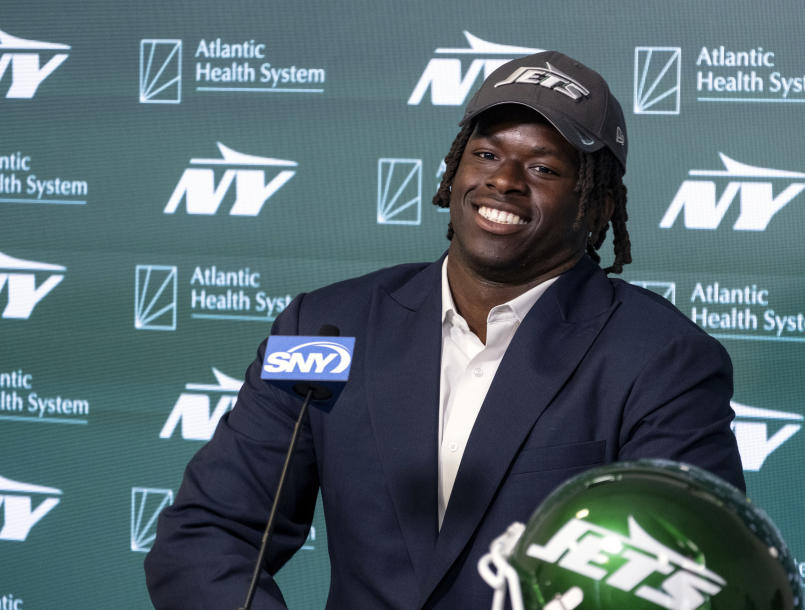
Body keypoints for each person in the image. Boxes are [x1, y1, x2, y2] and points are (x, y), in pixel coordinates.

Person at [145, 50, 745, 609]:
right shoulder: (326, 329)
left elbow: (688, 583)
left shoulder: (662, 360)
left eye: (542, 166)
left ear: (600, 205)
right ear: (456, 166)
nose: (503, 180)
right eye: (485, 154)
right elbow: (210, 531)